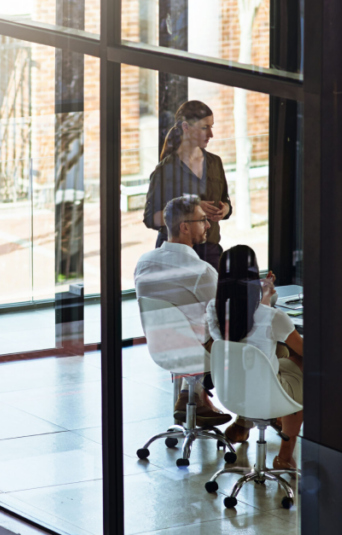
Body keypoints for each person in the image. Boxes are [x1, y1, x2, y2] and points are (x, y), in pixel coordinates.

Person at [135, 195, 232, 427]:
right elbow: (224, 317)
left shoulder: (144, 262)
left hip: (161, 349)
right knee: (253, 335)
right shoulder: (201, 271)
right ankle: (258, 417)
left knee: (198, 324)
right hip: (196, 353)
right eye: (203, 220)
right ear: (185, 227)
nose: (208, 225)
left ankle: (192, 396)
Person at [204, 246, 305, 469]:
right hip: (267, 393)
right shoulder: (273, 317)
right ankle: (284, 457)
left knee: (286, 359)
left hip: (232, 391)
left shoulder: (214, 309)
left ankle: (243, 422)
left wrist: (265, 296)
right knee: (306, 369)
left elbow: (251, 328)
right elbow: (308, 350)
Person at [143, 101, 232, 266]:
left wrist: (224, 209)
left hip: (210, 253)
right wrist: (192, 210)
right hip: (175, 256)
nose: (211, 134)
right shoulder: (165, 170)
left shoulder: (215, 162)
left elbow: (226, 202)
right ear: (186, 127)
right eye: (205, 128)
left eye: (212, 127)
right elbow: (151, 218)